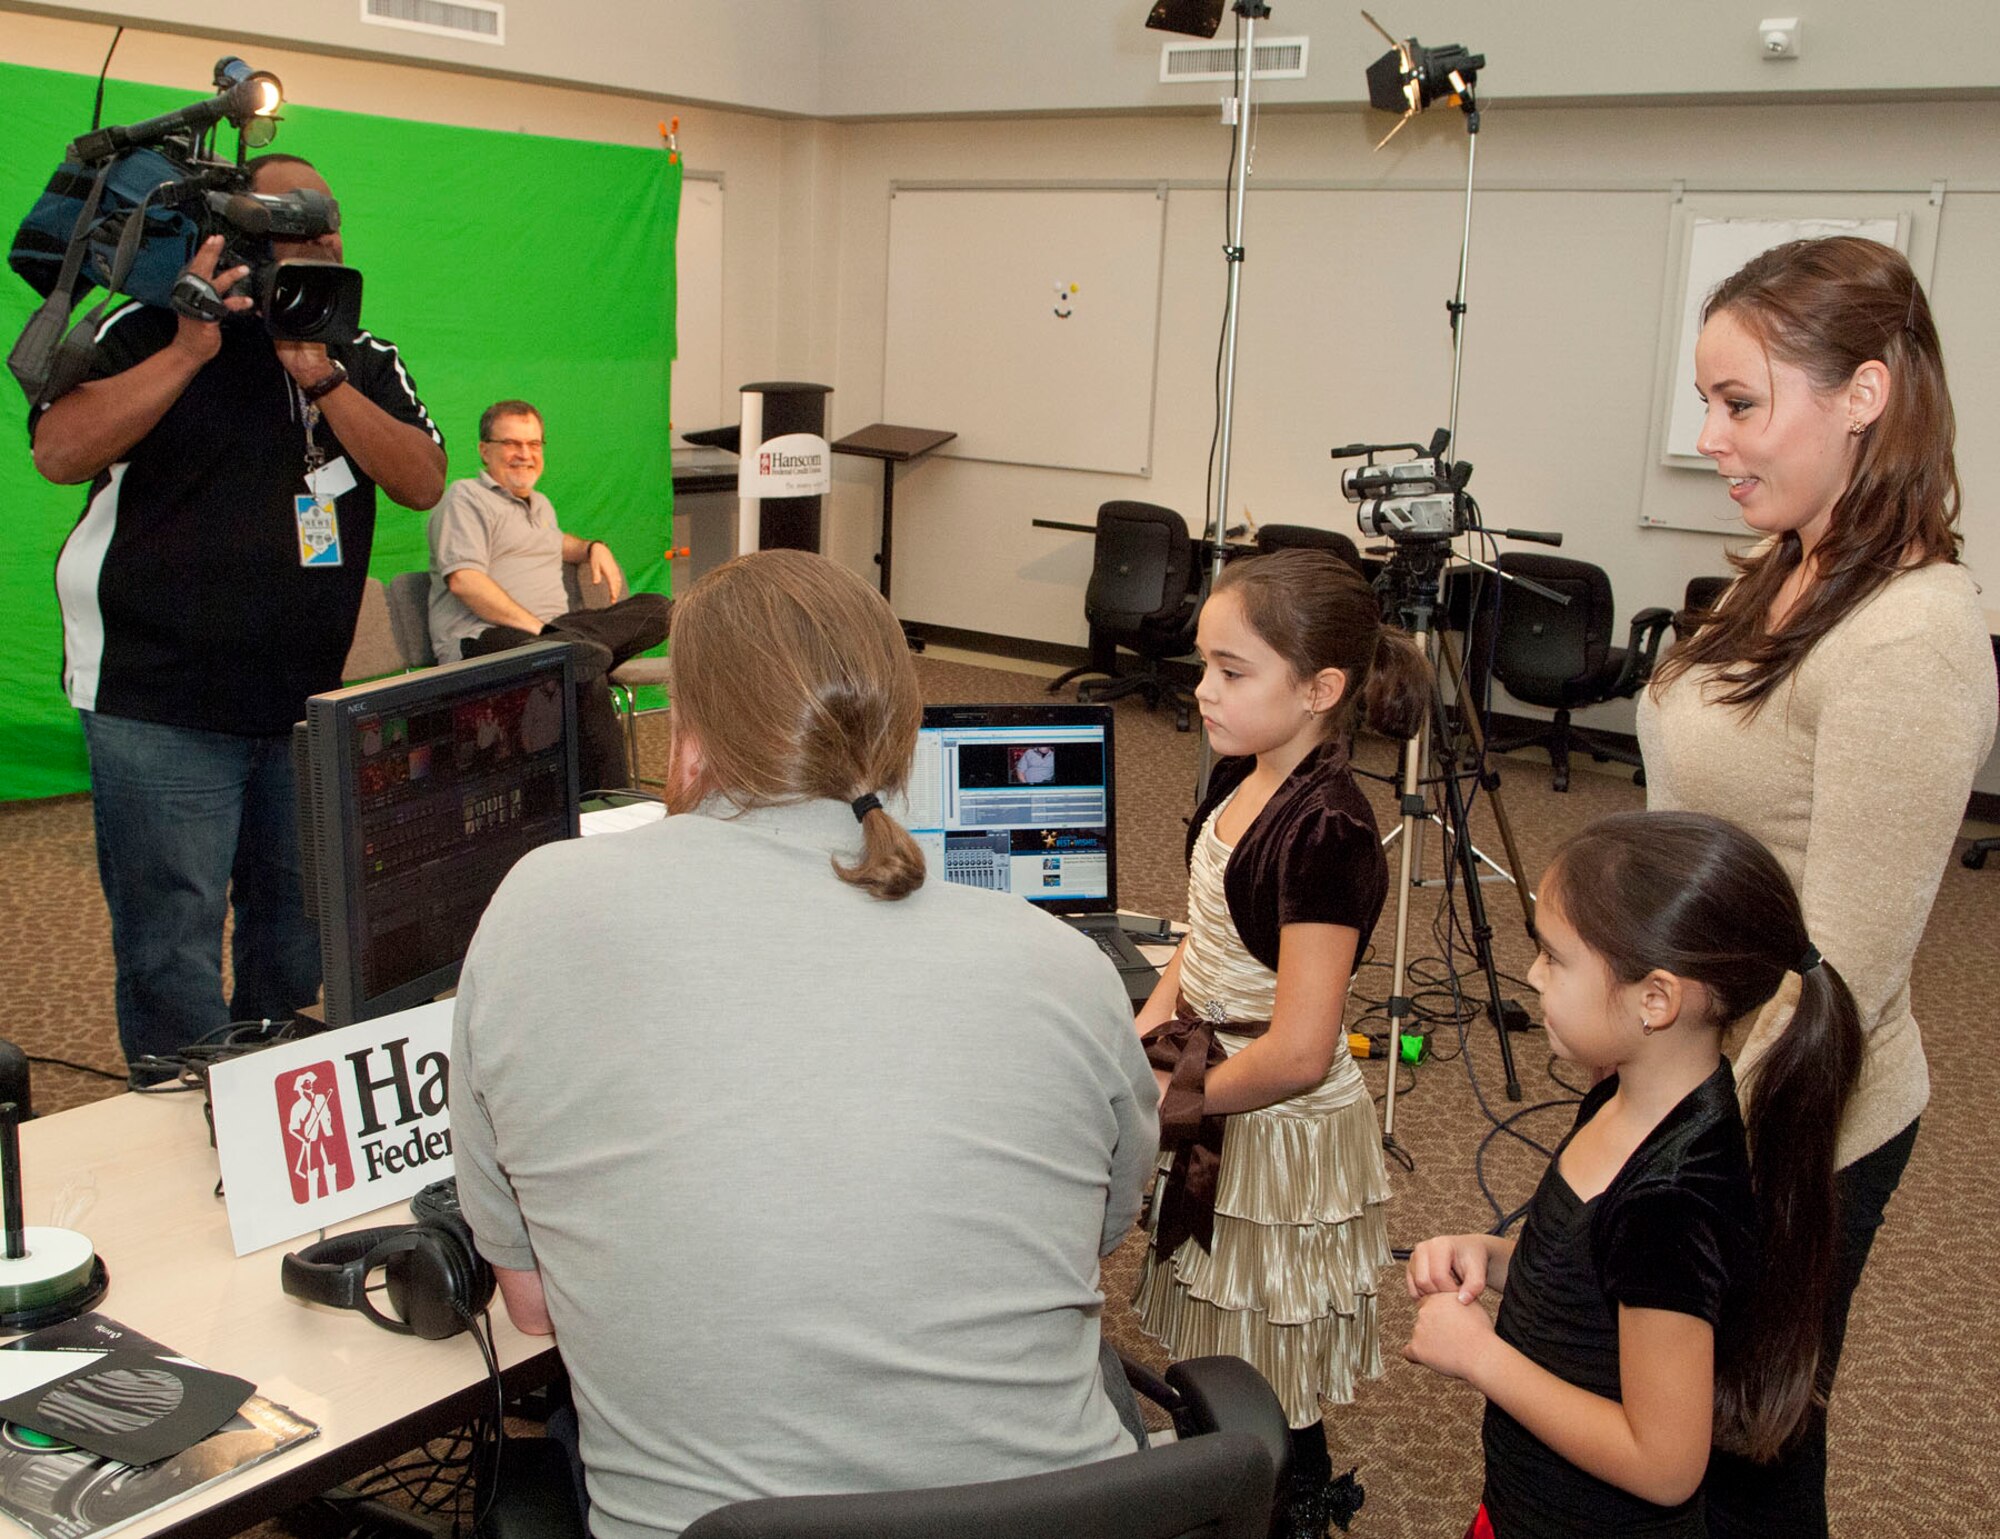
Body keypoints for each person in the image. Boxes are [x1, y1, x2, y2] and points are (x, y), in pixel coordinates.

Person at [449, 549, 1159, 1539]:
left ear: (686, 736)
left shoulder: (538, 906)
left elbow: (534, 1310)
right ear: (900, 734)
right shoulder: (1063, 966)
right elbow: (1089, 1236)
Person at [1635, 235, 1998, 1535]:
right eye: (1708, 400)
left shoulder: (1913, 636)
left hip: (1790, 1117)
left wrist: (1667, 1137)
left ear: (1866, 394)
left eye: (1742, 402)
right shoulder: (1785, 560)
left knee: (1744, 1442)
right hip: (1698, 1068)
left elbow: (1837, 974)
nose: (1714, 436)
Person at [30, 152, 446, 1079]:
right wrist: (188, 351)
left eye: (329, 221)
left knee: (296, 932)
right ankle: (178, 1113)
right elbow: (58, 449)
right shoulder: (153, 326)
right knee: (172, 939)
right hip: (156, 703)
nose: (322, 238)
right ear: (244, 237)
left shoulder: (362, 356)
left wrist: (324, 380)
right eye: (295, 223)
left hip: (302, 710)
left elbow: (420, 479)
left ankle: (276, 1112)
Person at [1403, 811, 1864, 1539]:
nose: (1531, 973)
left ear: (1656, 999)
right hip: (1532, 1502)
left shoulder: (1672, 1201)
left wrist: (1483, 1357)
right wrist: (1492, 1259)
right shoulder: (1621, 1098)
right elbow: (1598, 1278)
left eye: (1555, 958)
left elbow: (1664, 1461)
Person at [1131, 548, 1429, 1537]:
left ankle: (1287, 1507)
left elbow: (1300, 1050)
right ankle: (1224, 1476)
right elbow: (1198, 933)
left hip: (1276, 1127)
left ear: (1319, 690)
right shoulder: (1237, 775)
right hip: (1212, 1086)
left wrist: (1170, 1104)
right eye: (1203, 665)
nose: (1202, 690)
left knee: (1270, 1372)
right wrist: (1142, 1035)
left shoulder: (1327, 831)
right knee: (1217, 1344)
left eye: (1231, 670)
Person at [426, 399, 671, 791]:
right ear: (484, 449)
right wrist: (541, 631)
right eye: (511, 443)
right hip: (486, 638)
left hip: (554, 631)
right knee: (579, 665)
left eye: (534, 444)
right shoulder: (465, 498)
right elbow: (465, 581)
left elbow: (559, 544)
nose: (525, 454)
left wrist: (593, 547)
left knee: (659, 609)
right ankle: (614, 798)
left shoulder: (540, 505)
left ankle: (571, 653)